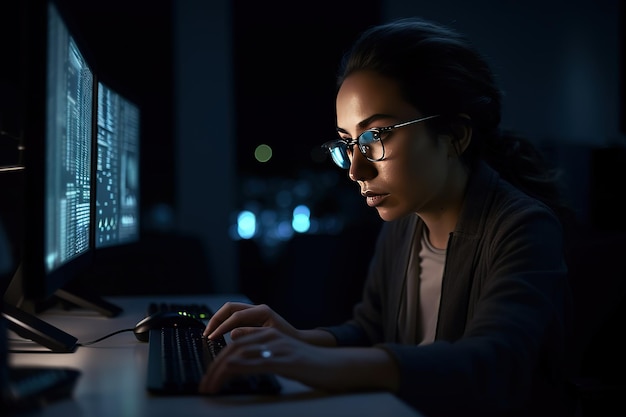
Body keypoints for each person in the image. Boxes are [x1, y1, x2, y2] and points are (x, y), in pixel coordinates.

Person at [200, 17, 574, 417]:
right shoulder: (404, 224)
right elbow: (372, 331)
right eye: (347, 143)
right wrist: (298, 339)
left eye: (375, 137)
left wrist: (317, 364)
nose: (355, 170)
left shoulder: (523, 228)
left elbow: (492, 365)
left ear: (455, 136)